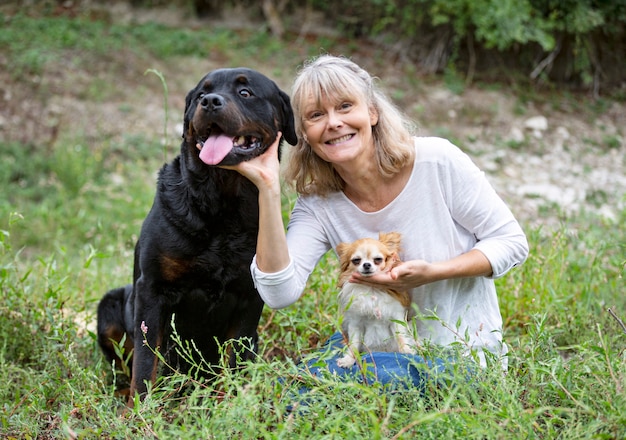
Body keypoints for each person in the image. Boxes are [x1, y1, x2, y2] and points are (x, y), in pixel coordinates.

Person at [223, 54, 529, 389]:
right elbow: (279, 294)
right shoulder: (318, 202)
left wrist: (432, 273)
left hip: (457, 355)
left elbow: (511, 243)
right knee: (304, 391)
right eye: (315, 115)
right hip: (376, 347)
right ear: (305, 133)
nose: (334, 122)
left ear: (372, 111)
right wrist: (267, 188)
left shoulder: (438, 162)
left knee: (337, 387)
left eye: (344, 106)